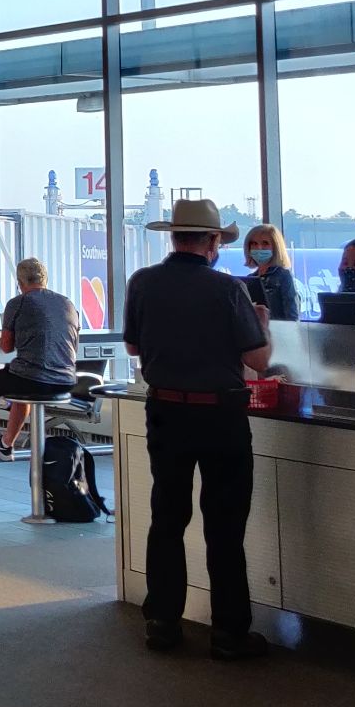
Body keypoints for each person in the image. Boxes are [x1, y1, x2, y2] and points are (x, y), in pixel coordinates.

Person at [124, 199, 272, 661]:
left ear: (173, 237)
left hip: (165, 411)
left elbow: (132, 344)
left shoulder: (142, 282)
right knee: (224, 524)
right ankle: (229, 632)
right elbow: (258, 360)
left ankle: (162, 622)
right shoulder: (228, 289)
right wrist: (261, 325)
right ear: (212, 242)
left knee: (167, 517)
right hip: (220, 415)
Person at [0, 258, 79, 462]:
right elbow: (72, 345)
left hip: (31, 378)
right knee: (23, 383)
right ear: (45, 279)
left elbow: (6, 347)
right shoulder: (68, 303)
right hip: (66, 381)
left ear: (20, 282)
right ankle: (6, 446)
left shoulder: (17, 303)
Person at [241, 225, 300, 322]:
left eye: (265, 243)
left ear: (276, 247)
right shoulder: (250, 279)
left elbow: (292, 315)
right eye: (254, 243)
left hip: (279, 333)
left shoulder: (283, 275)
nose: (259, 248)